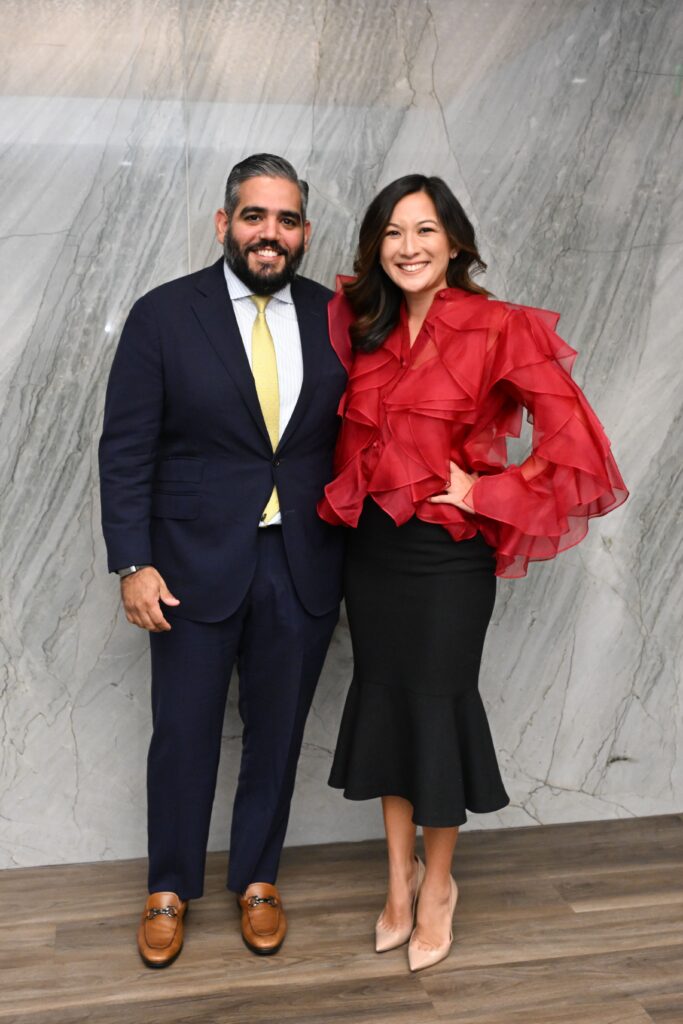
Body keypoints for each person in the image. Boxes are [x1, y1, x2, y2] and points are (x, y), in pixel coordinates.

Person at [318, 174, 628, 972]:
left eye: (424, 230)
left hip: (447, 559)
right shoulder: (360, 322)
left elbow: (579, 449)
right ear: (374, 246)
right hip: (373, 553)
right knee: (383, 698)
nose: (408, 247)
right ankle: (397, 880)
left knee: (436, 704)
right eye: (391, 232)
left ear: (454, 241)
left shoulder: (499, 326)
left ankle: (438, 888)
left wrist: (487, 489)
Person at [99, 154, 347, 967]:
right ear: (223, 223)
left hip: (300, 562)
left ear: (304, 232)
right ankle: (168, 887)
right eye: (253, 216)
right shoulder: (165, 315)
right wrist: (132, 561)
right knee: (184, 733)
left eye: (284, 220)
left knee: (276, 735)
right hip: (189, 566)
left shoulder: (337, 317)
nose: (268, 234)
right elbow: (126, 448)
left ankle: (259, 880)